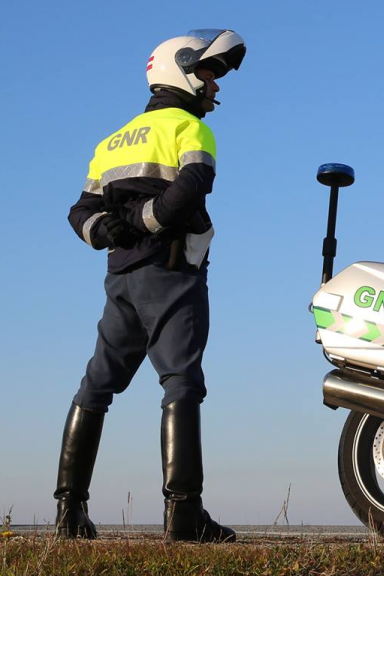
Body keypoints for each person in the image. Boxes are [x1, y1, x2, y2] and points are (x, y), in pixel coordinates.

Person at [57, 29, 246, 543]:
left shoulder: (112, 141)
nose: (215, 86)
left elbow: (79, 211)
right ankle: (184, 515)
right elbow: (193, 186)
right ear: (181, 71)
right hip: (171, 273)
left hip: (120, 280)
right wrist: (148, 221)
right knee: (182, 380)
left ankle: (69, 513)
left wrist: (108, 230)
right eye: (209, 73)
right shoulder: (191, 128)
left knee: (95, 387)